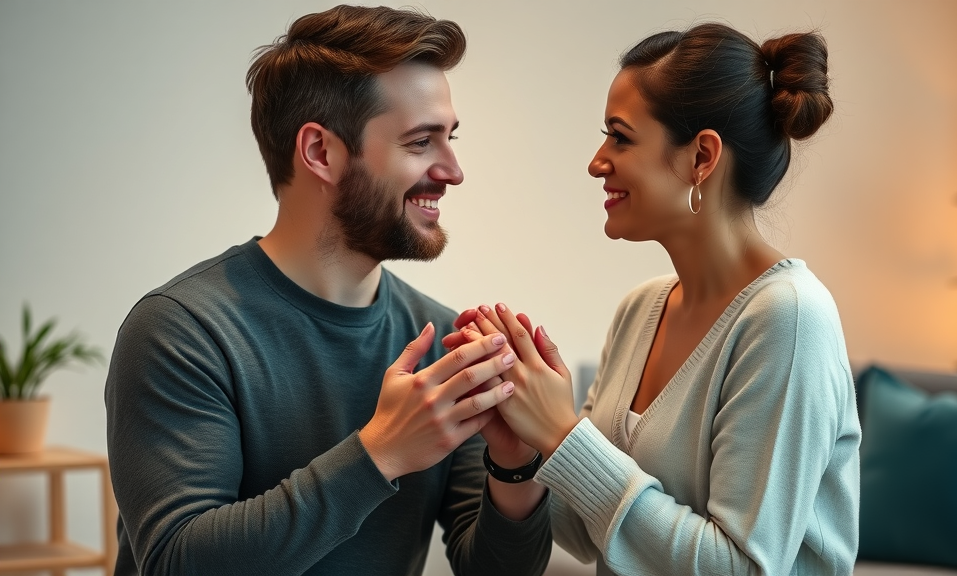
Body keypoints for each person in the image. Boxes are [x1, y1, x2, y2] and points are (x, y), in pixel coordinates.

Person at [104, 5, 550, 575]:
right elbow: (177, 563)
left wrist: (513, 466)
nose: (453, 170)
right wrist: (379, 453)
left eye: (450, 138)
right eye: (421, 142)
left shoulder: (442, 342)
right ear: (320, 152)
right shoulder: (182, 330)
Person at [449, 22, 860, 576]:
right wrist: (519, 450)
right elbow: (588, 530)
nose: (597, 161)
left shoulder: (788, 318)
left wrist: (562, 434)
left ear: (702, 157)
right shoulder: (641, 309)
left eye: (620, 136)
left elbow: (741, 569)